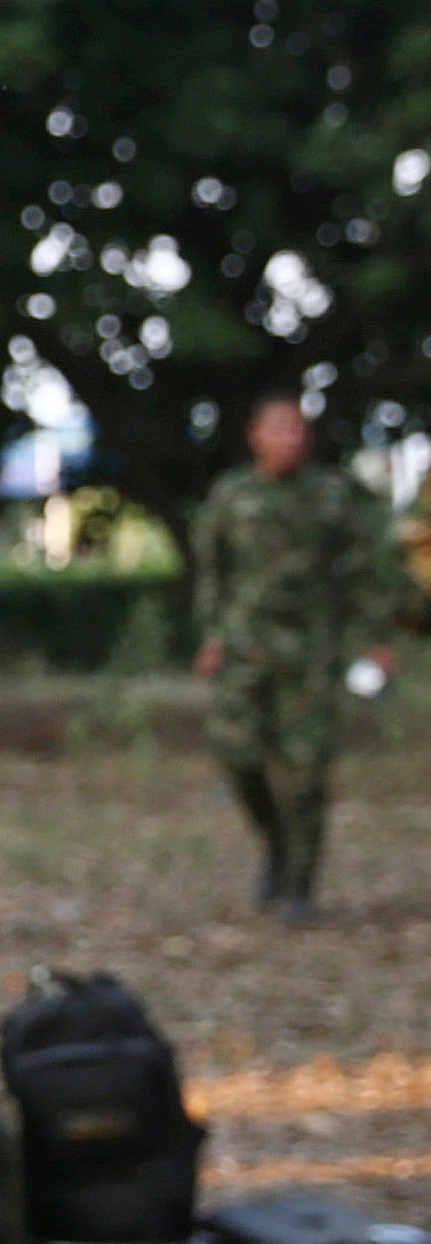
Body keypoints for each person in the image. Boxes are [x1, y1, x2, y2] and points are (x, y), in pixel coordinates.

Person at [190, 392, 400, 921]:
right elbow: (213, 570)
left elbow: (367, 569)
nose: (292, 439)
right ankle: (275, 842)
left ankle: (302, 883)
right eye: (280, 429)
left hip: (312, 651)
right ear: (255, 437)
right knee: (236, 754)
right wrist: (212, 635)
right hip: (244, 646)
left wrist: (377, 639)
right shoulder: (232, 493)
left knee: (308, 770)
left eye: (299, 430)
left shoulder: (333, 495)